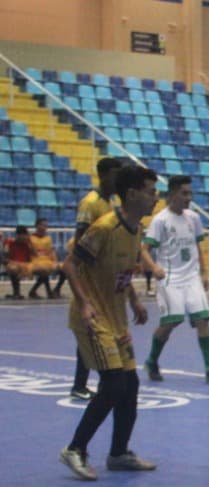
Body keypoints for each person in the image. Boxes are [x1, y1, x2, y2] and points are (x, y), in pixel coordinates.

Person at [58, 164, 159, 481]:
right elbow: (70, 265)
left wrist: (134, 300)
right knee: (114, 382)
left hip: (116, 319)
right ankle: (75, 449)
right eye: (151, 192)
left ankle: (118, 453)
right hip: (91, 318)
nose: (155, 198)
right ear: (132, 194)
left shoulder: (136, 231)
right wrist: (85, 304)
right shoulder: (104, 228)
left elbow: (121, 273)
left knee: (130, 385)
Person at [140, 175, 209, 386]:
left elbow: (197, 246)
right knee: (172, 321)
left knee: (203, 319)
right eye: (184, 193)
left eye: (190, 193)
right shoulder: (160, 220)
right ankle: (152, 360)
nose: (189, 197)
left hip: (191, 276)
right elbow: (144, 250)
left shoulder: (193, 218)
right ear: (173, 194)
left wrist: (203, 272)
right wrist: (154, 267)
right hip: (170, 277)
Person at [65, 156, 123, 399]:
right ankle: (84, 384)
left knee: (94, 329)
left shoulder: (110, 202)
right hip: (88, 274)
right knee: (91, 329)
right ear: (105, 175)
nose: (119, 180)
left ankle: (83, 383)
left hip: (102, 276)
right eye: (116, 174)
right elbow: (81, 240)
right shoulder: (90, 203)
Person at [4, 226, 34, 299]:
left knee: (42, 269)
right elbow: (5, 258)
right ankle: (16, 293)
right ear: (17, 235)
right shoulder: (8, 242)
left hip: (26, 265)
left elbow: (34, 256)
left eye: (26, 235)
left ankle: (33, 291)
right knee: (13, 268)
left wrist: (30, 243)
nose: (24, 238)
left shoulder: (29, 244)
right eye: (23, 236)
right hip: (13, 264)